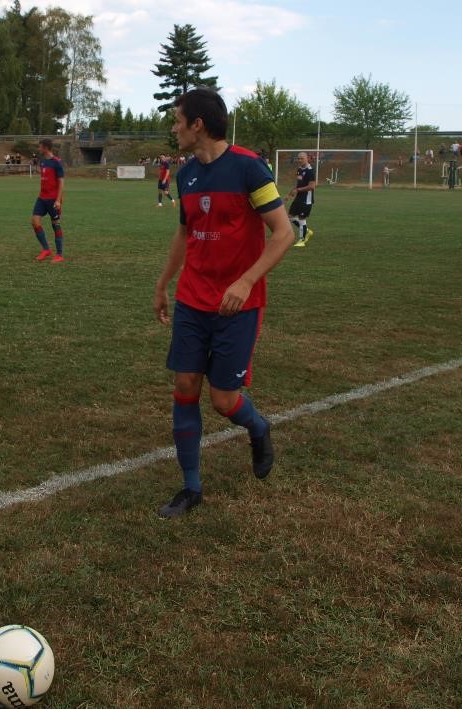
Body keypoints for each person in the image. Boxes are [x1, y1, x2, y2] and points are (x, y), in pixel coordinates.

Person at [152, 88, 293, 519]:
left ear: (198, 125)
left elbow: (284, 233)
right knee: (185, 386)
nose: (174, 128)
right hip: (193, 299)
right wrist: (163, 283)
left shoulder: (249, 168)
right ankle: (191, 487)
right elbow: (184, 234)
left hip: (237, 306)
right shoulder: (186, 175)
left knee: (223, 399)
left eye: (178, 120)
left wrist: (246, 282)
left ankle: (258, 427)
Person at [32, 138, 65, 262]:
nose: (39, 149)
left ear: (45, 148)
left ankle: (59, 254)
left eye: (40, 147)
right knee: (35, 221)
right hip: (42, 198)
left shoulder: (57, 162)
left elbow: (61, 182)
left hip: (53, 199)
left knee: (55, 225)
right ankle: (46, 249)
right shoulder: (43, 162)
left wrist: (58, 200)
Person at [287, 151, 316, 247]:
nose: (299, 160)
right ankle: (306, 230)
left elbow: (312, 186)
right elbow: (298, 183)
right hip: (298, 197)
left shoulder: (310, 171)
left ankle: (302, 241)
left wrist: (298, 190)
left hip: (306, 198)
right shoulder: (299, 169)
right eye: (298, 158)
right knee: (290, 216)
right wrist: (290, 194)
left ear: (307, 158)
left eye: (302, 158)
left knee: (301, 218)